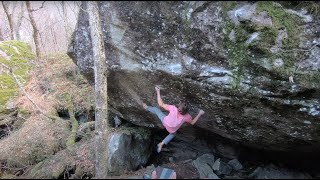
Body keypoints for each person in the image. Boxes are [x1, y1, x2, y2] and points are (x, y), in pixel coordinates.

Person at [142, 85, 205, 153]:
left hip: (165, 122)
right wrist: (200, 114)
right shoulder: (187, 116)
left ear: (178, 107)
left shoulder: (173, 108)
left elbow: (161, 104)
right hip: (172, 129)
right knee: (172, 134)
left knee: (156, 110)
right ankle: (162, 143)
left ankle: (147, 108)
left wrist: (158, 91)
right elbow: (192, 122)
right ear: (186, 111)